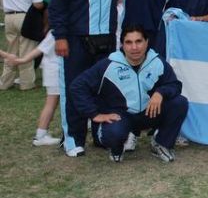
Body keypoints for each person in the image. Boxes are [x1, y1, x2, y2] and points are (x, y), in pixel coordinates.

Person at [49, 0, 128, 157]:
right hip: (75, 39)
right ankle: (73, 138)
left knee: (103, 89)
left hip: (105, 39)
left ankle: (101, 135)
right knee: (74, 88)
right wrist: (60, 36)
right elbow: (58, 4)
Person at [70, 25, 188, 163]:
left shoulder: (157, 62)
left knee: (179, 102)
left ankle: (162, 143)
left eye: (138, 41)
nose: (134, 47)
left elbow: (175, 85)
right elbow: (77, 86)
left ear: (146, 42)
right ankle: (117, 148)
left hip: (148, 113)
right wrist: (94, 114)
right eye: (129, 42)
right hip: (121, 116)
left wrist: (160, 93)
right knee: (113, 133)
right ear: (122, 44)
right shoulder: (108, 65)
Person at [2, 31, 61, 146]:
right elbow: (40, 49)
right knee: (52, 102)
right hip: (54, 70)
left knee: (55, 101)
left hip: (55, 69)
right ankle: (41, 135)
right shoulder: (56, 32)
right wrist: (21, 60)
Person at [0, 0, 44, 91]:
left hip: (8, 16)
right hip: (24, 17)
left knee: (11, 51)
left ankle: (5, 82)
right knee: (27, 50)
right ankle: (26, 83)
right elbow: (38, 4)